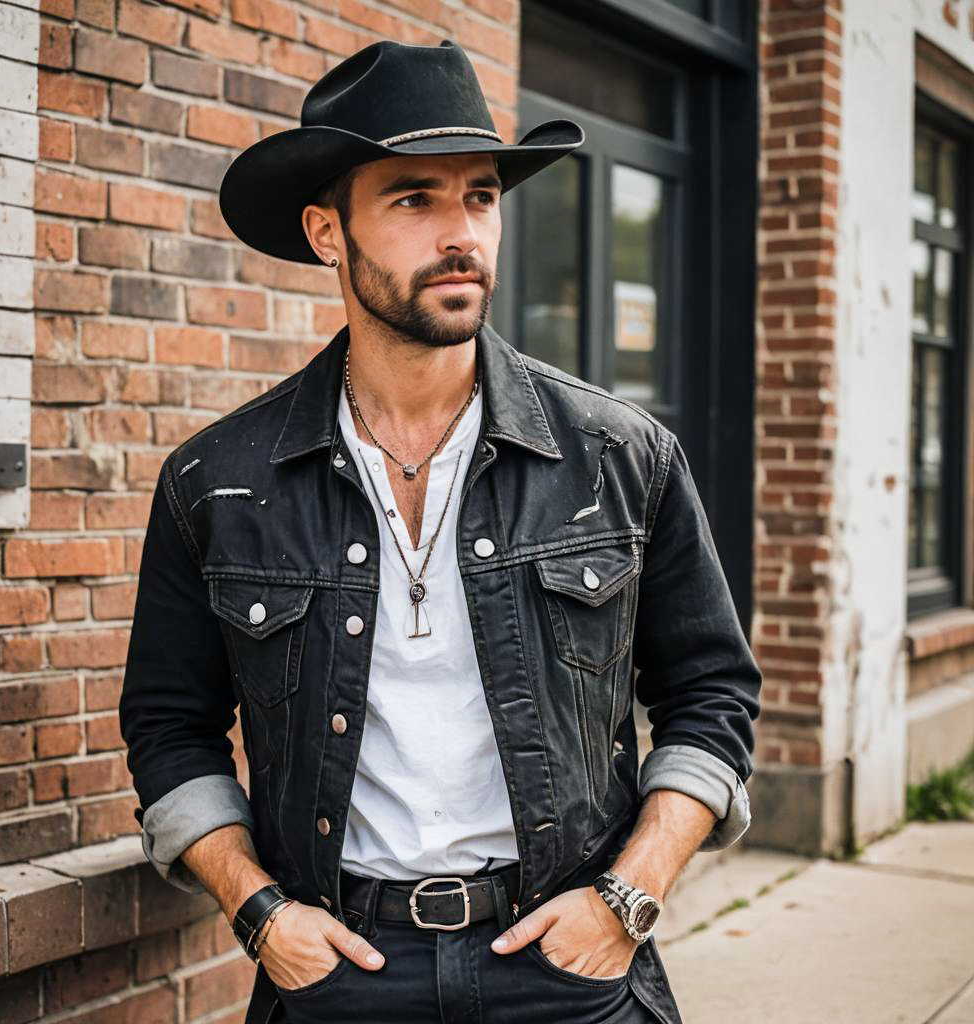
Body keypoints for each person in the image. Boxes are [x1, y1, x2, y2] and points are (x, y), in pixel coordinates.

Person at [119, 37, 762, 1024]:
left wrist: (628, 897)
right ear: (327, 232)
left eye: (480, 197)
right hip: (338, 973)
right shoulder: (219, 482)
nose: (460, 231)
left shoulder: (619, 456)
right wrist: (259, 916)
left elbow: (711, 694)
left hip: (566, 964)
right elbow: (169, 727)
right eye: (413, 199)